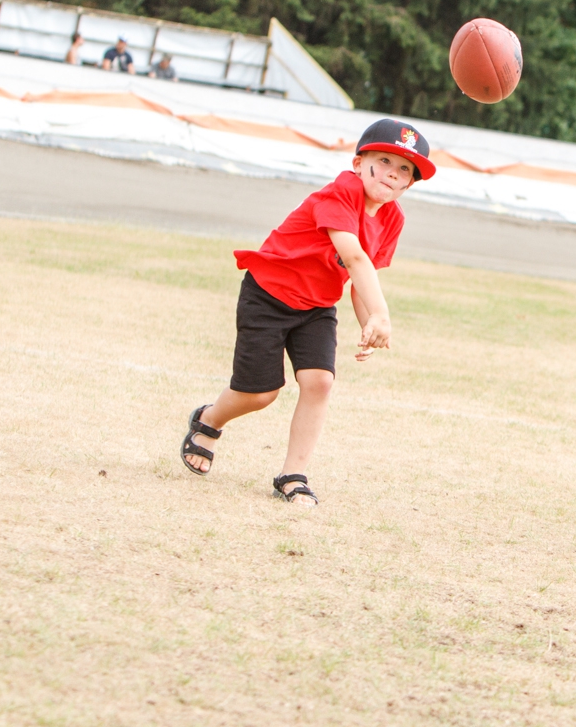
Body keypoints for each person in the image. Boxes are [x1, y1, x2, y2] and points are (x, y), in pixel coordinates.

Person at [179, 119, 437, 506]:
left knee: (320, 382)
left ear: (409, 185)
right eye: (384, 161)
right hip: (268, 294)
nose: (392, 173)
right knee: (260, 394)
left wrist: (369, 321)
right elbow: (354, 256)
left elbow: (360, 275)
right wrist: (382, 313)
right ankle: (209, 420)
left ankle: (293, 475)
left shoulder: (392, 219)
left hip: (316, 306)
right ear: (358, 163)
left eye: (404, 169)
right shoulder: (342, 192)